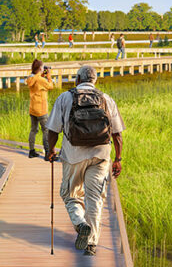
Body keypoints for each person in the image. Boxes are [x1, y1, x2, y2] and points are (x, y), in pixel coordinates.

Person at [44, 64, 124, 257]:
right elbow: (118, 134)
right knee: (95, 198)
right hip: (101, 155)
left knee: (70, 194)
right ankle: (92, 244)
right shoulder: (106, 99)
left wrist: (51, 151)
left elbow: (52, 130)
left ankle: (81, 224)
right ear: (94, 81)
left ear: (77, 80)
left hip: (74, 155)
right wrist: (118, 159)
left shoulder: (65, 97)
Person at [26, 58, 55, 158]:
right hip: (41, 109)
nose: (44, 69)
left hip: (32, 108)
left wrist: (42, 75)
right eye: (43, 67)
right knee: (46, 130)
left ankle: (31, 151)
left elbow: (36, 82)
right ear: (39, 69)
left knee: (33, 130)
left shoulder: (31, 78)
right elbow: (50, 86)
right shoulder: (41, 80)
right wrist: (49, 76)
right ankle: (47, 153)